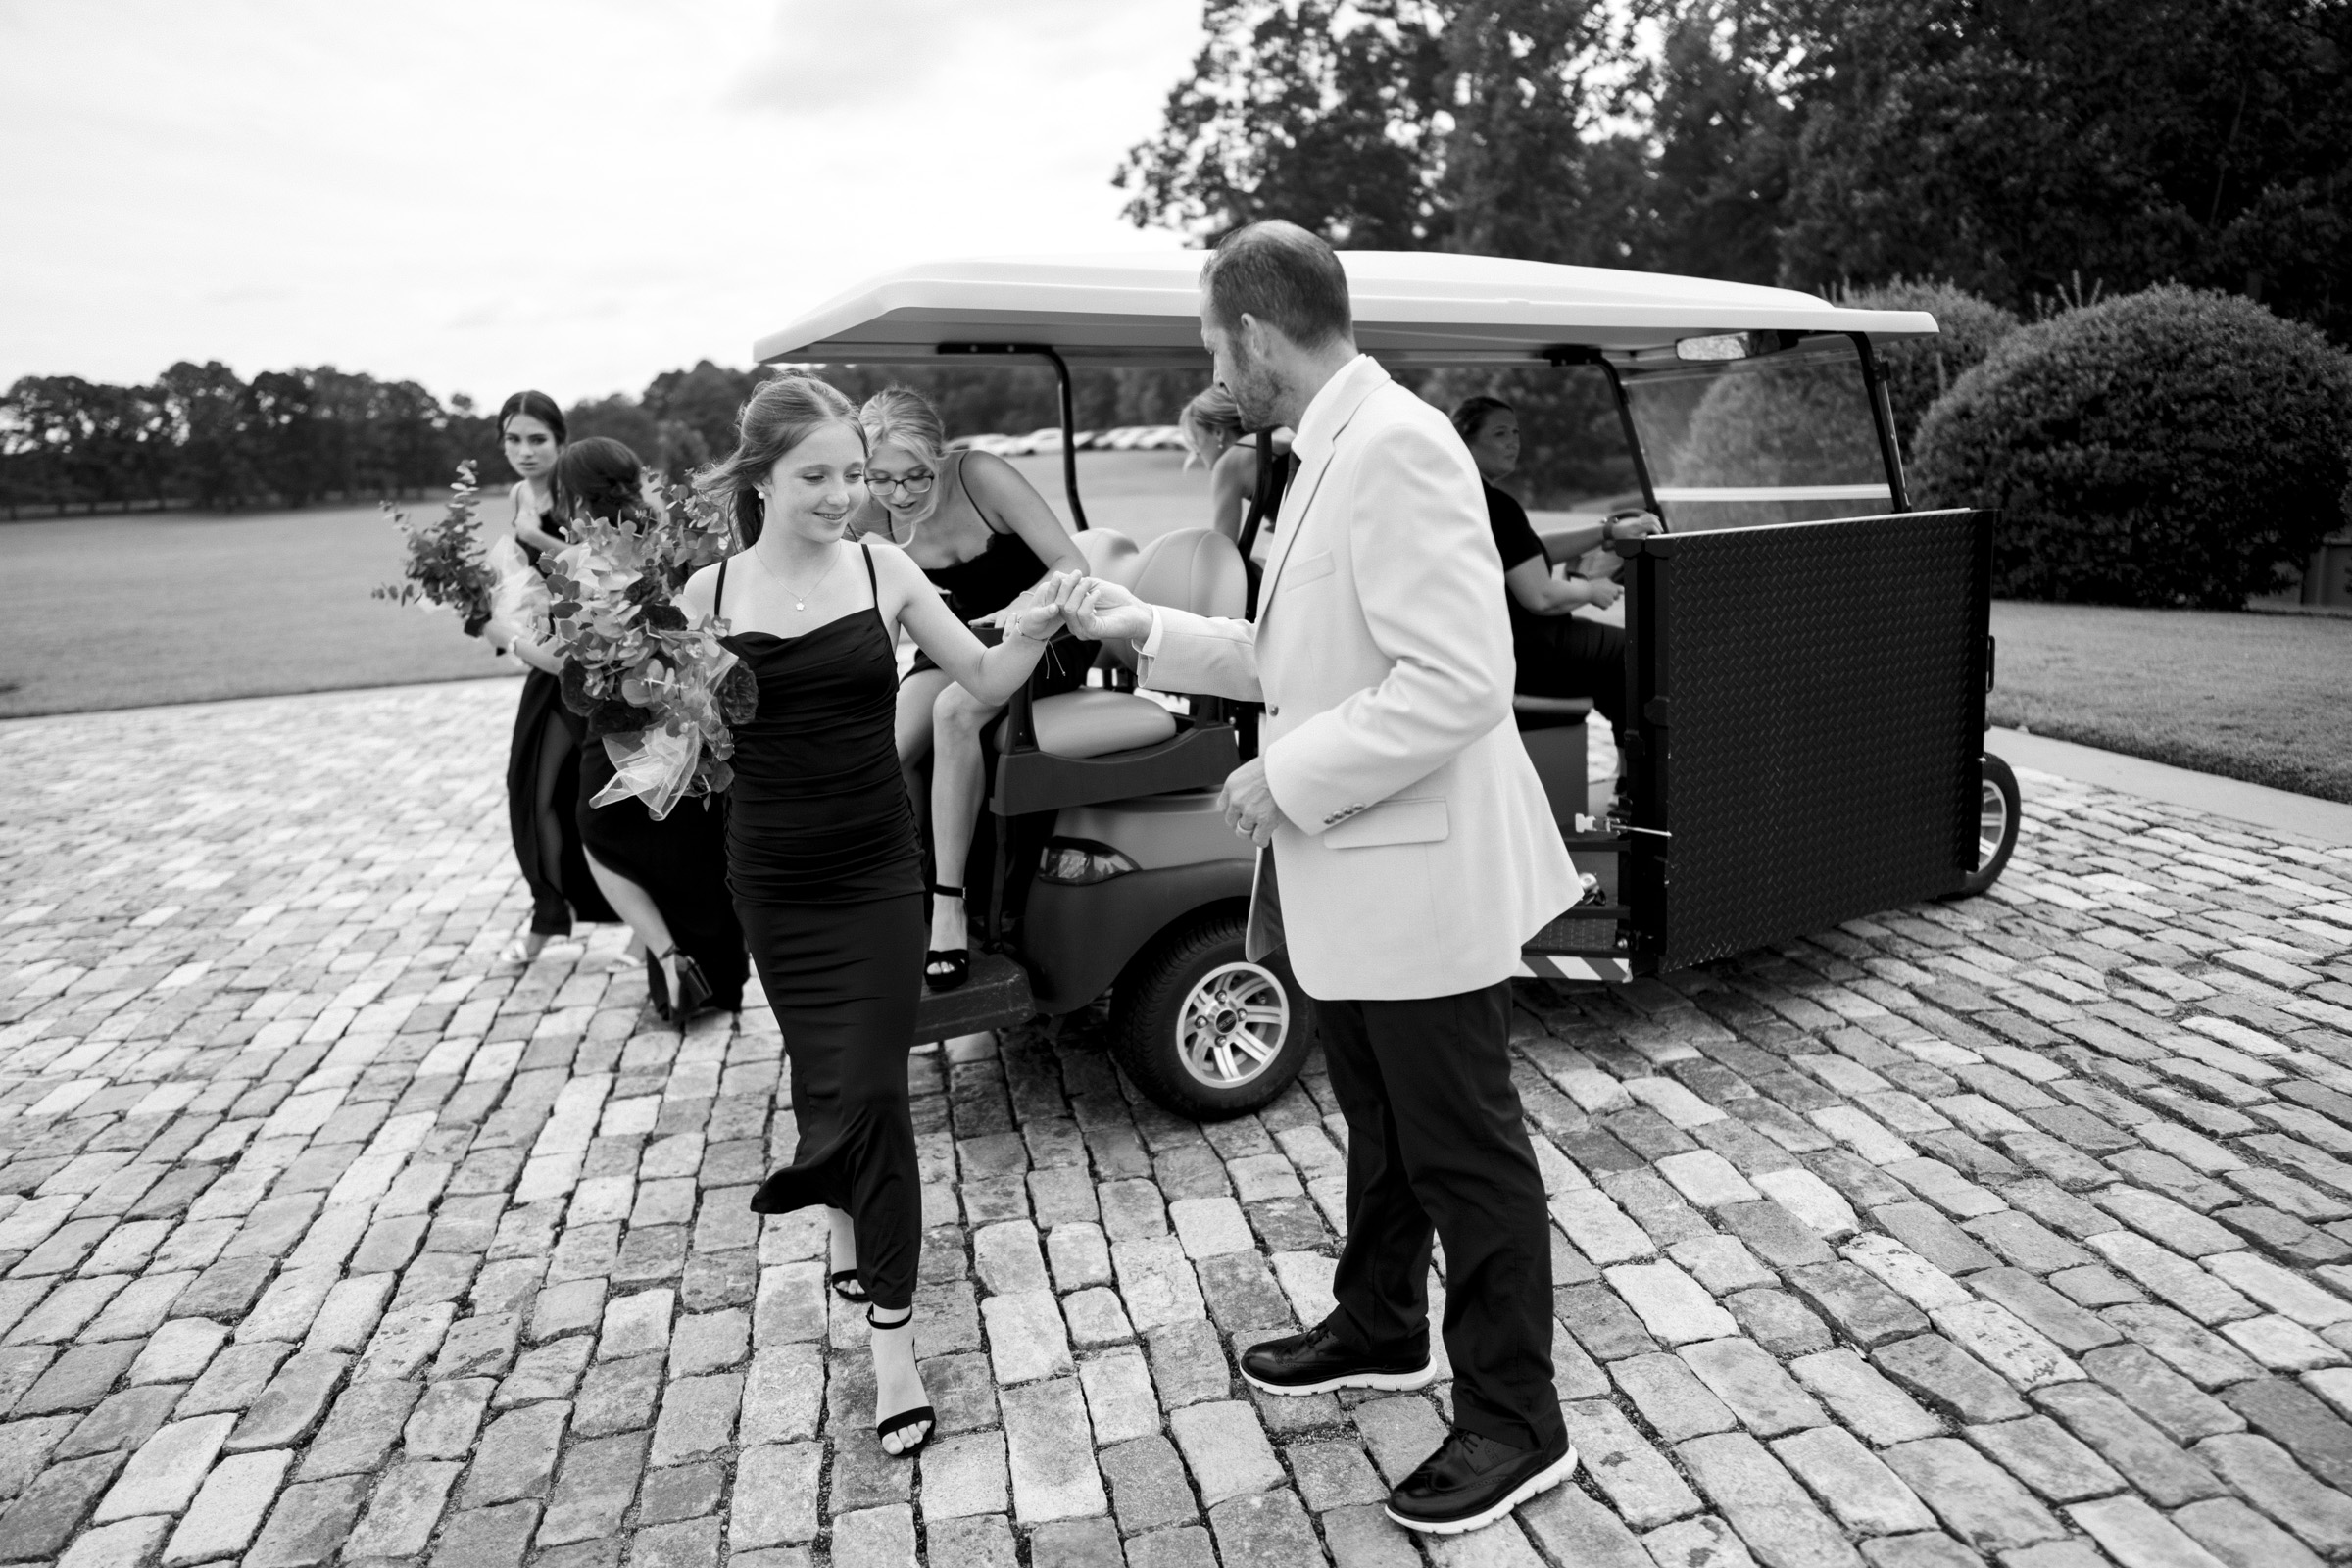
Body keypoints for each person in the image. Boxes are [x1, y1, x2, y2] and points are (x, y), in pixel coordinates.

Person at [1062, 221, 1583, 1536]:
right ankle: (1381, 1323)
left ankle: (1519, 1425)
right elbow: (1306, 657)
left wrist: (1285, 781)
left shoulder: (1400, 446)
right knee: (1384, 1124)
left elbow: (1464, 683)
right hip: (1353, 884)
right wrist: (1152, 630)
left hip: (1421, 885)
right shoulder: (1320, 450)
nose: (1207, 364)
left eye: (1206, 343)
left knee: (1466, 1155)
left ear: (1250, 335)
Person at [680, 375, 1073, 1457]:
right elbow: (668, 746)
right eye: (818, 476)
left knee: (875, 1088)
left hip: (874, 873)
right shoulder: (702, 596)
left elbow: (985, 672)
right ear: (760, 476)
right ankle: (850, 1220)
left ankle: (892, 1342)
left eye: (854, 474)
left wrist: (1038, 621)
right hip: (772, 881)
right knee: (829, 1078)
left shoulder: (883, 568)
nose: (844, 495)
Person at [852, 388, 1089, 991]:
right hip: (958, 649)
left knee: (956, 712)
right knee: (883, 749)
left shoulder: (982, 475)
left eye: (916, 476)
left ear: (940, 453)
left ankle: (952, 906)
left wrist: (1023, 610)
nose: (900, 495)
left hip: (1045, 631)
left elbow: (1071, 560)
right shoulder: (866, 516)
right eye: (882, 480)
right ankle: (905, 897)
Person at [545, 436, 748, 1023]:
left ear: (573, 495)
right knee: (686, 844)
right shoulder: (669, 540)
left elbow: (575, 650)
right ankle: (704, 972)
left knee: (597, 831)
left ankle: (669, 955)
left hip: (621, 715)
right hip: (681, 707)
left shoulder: (578, 559)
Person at [483, 391, 615, 961]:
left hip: (600, 663)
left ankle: (648, 924)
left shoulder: (578, 492)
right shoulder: (518, 492)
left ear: (561, 440)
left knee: (608, 799)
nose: (525, 450)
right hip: (547, 661)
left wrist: (537, 537)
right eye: (513, 439)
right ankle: (548, 913)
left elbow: (608, 571)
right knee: (530, 791)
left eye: (537, 439)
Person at [1451, 394, 1657, 731]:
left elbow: (1527, 552)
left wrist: (1607, 531)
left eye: (1516, 433)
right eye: (1500, 434)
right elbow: (1540, 597)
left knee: (1609, 669)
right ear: (1465, 440)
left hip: (1496, 647)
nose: (1513, 443)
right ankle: (1645, 773)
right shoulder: (1497, 507)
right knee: (1639, 654)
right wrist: (1590, 589)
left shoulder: (1467, 497)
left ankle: (1629, 771)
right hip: (1529, 650)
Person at [1180, 385, 1293, 561]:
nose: (1197, 453)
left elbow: (1223, 555)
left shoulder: (1228, 466)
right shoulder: (1285, 432)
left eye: (1196, 442)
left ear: (1218, 432)